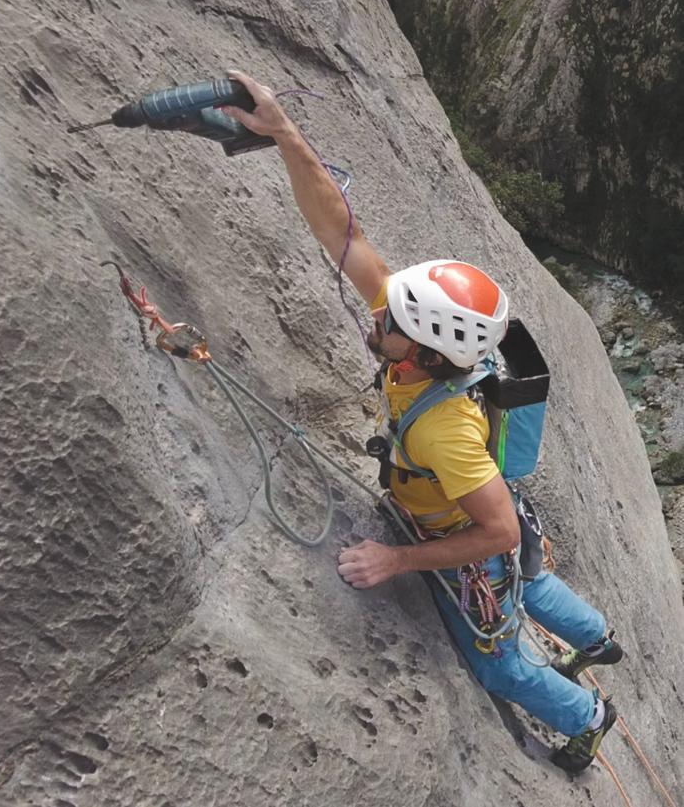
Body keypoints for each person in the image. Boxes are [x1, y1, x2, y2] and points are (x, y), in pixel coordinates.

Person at [221, 70, 623, 773]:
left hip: (467, 536)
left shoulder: (442, 427)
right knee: (528, 574)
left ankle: (589, 713)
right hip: (477, 502)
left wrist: (397, 559)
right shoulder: (423, 341)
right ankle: (596, 636)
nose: (376, 318)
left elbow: (492, 531)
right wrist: (285, 134)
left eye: (392, 323)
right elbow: (343, 235)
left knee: (500, 661)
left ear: (431, 350)